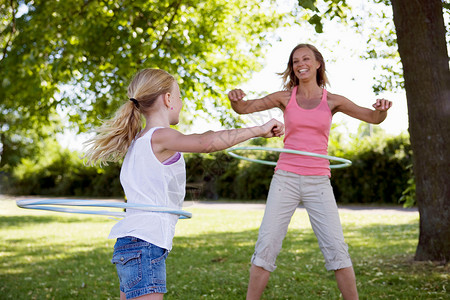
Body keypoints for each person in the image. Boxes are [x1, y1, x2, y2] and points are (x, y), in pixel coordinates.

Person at [83, 68, 284, 300]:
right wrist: (258, 130)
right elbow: (206, 141)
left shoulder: (139, 140)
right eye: (179, 96)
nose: (181, 101)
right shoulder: (160, 136)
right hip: (145, 243)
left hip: (134, 242)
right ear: (168, 99)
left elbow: (205, 136)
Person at [227, 43, 392, 300]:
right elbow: (245, 108)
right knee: (267, 245)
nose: (300, 64)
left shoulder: (333, 100)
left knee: (336, 248)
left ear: (317, 63)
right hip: (285, 178)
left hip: (318, 181)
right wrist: (236, 99)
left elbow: (372, 118)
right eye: (295, 61)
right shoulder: (285, 97)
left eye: (305, 59)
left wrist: (381, 110)